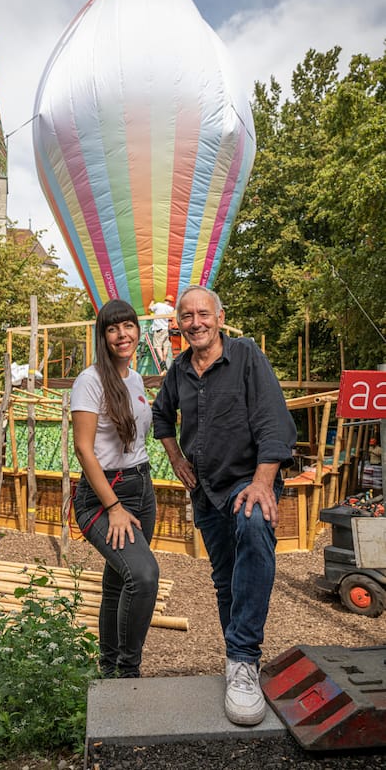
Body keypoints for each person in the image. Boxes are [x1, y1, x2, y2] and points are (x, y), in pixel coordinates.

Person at [152, 286, 296, 725]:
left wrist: (263, 482)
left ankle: (243, 659)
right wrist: (176, 458)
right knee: (224, 579)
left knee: (254, 526)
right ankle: (239, 661)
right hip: (207, 489)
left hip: (245, 482)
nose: (196, 322)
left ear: (220, 316)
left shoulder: (247, 356)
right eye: (187, 316)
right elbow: (161, 416)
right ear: (177, 323)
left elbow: (274, 419)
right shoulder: (178, 370)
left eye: (203, 314)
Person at [71, 298, 159, 678]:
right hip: (104, 495)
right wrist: (113, 507)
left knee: (118, 581)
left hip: (142, 487)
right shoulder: (89, 381)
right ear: (102, 336)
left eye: (128, 326)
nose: (122, 334)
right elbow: (83, 448)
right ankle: (127, 672)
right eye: (112, 328)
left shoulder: (135, 378)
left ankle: (107, 669)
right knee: (143, 576)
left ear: (138, 331)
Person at [148, 294, 175, 372]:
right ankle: (164, 363)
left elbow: (150, 309)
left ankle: (162, 362)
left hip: (158, 329)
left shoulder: (158, 305)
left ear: (165, 300)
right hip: (166, 330)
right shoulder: (171, 309)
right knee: (166, 346)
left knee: (158, 346)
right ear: (171, 302)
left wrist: (152, 301)